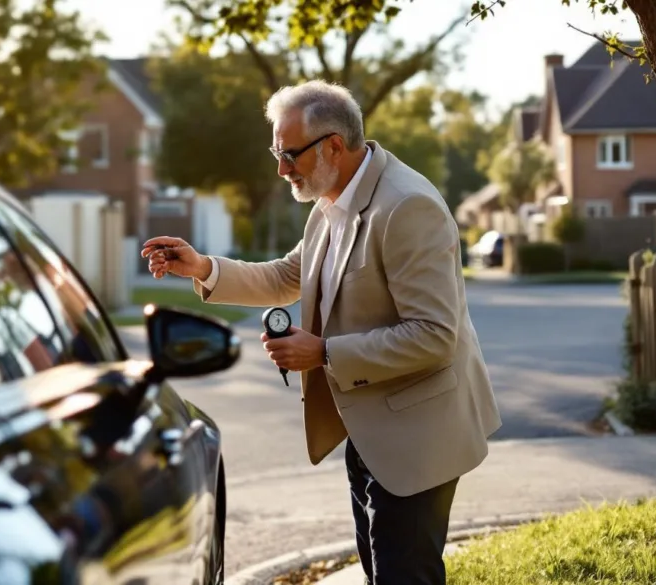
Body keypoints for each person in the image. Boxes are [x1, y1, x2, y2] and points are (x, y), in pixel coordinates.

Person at [140, 79, 502, 585]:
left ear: (334, 144)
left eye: (290, 154)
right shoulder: (332, 203)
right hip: (370, 432)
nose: (281, 169)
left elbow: (435, 335)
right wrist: (202, 267)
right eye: (276, 152)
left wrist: (325, 352)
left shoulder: (406, 207)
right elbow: (288, 276)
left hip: (419, 437)